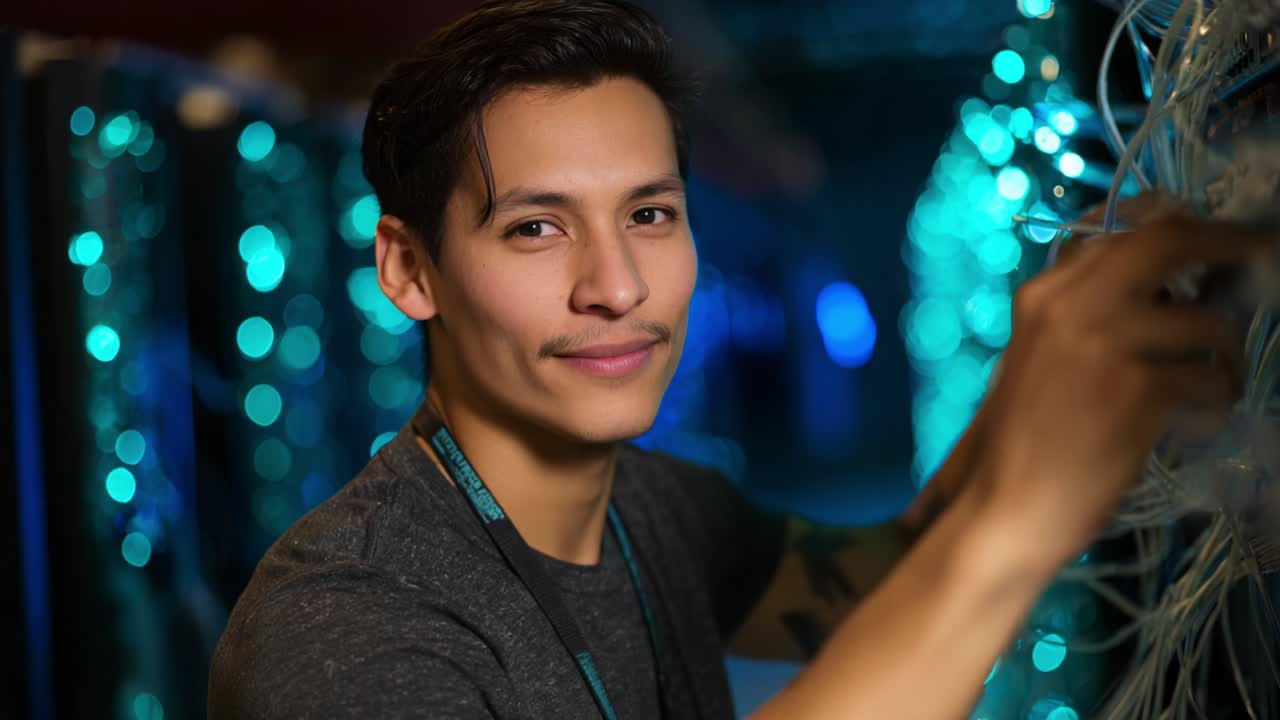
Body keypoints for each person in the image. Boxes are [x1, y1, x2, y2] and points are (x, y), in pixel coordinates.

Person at [206, 1, 1271, 717]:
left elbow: (887, 572)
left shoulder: (660, 510)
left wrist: (1037, 375)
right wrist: (1013, 523)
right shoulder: (341, 631)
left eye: (650, 214)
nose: (616, 286)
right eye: (536, 227)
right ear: (408, 268)